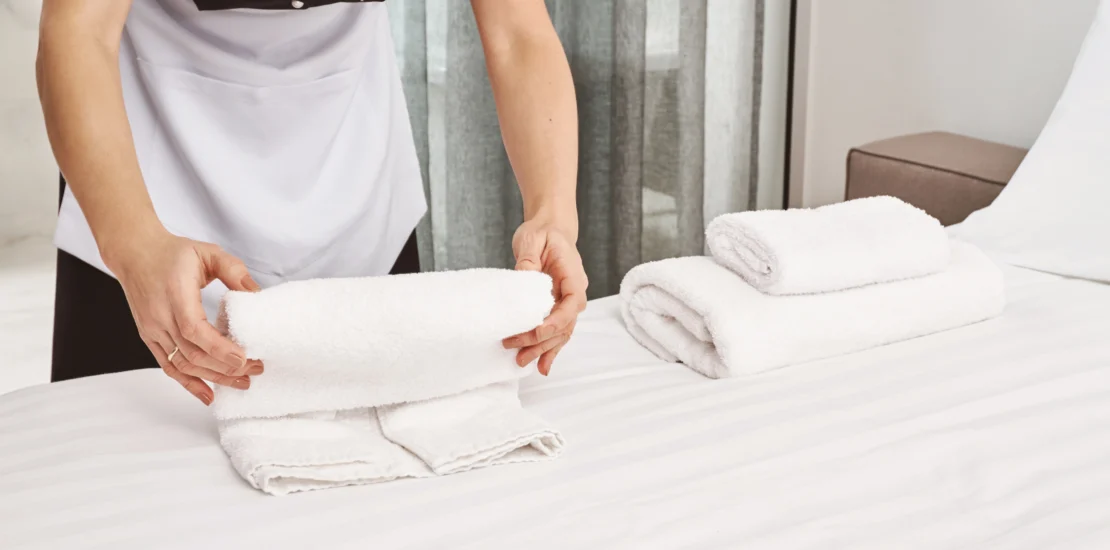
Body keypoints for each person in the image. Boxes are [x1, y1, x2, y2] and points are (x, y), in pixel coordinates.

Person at [36, 0, 587, 405]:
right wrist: (134, 244)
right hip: (147, 219)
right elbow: (78, 31)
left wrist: (554, 211)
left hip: (360, 208)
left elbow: (516, 31)